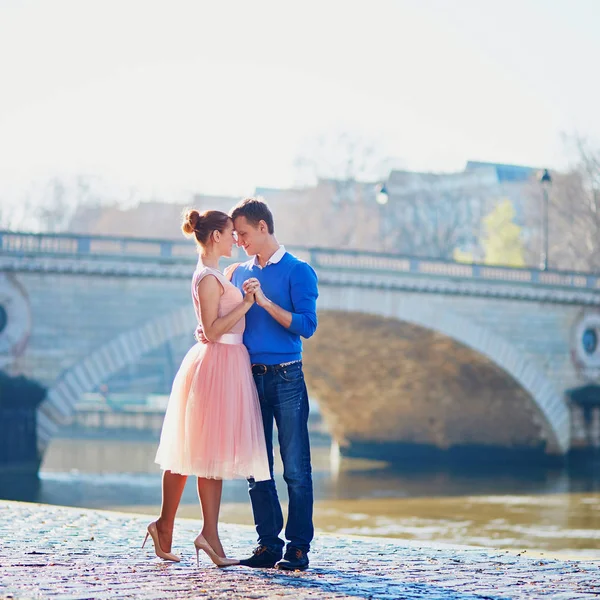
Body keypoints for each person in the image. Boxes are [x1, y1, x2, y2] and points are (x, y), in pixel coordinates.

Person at [144, 209, 270, 567]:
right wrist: (245, 302)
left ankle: (182, 529)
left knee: (198, 451)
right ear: (216, 235)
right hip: (218, 364)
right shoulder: (208, 278)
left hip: (224, 364)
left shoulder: (216, 274)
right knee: (198, 450)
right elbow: (213, 331)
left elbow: (211, 325)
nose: (235, 239)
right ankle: (190, 531)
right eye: (231, 233)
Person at [199, 197, 318, 571]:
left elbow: (307, 326)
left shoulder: (299, 271)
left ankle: (298, 547)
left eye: (244, 233)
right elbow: (223, 315)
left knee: (295, 468)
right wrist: (207, 332)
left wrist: (264, 303)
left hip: (287, 376)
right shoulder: (235, 273)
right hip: (247, 377)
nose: (239, 240)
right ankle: (268, 544)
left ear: (263, 227)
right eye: (235, 234)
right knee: (257, 467)